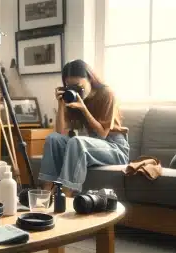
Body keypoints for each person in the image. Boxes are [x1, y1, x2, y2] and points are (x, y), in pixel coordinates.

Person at [38, 59, 130, 194]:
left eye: (77, 86)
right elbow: (60, 133)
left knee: (77, 142)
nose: (74, 90)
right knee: (53, 139)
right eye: (69, 86)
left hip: (115, 148)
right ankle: (46, 193)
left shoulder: (107, 93)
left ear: (90, 79)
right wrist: (61, 104)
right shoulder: (73, 98)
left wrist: (84, 109)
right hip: (94, 145)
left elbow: (103, 134)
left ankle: (66, 194)